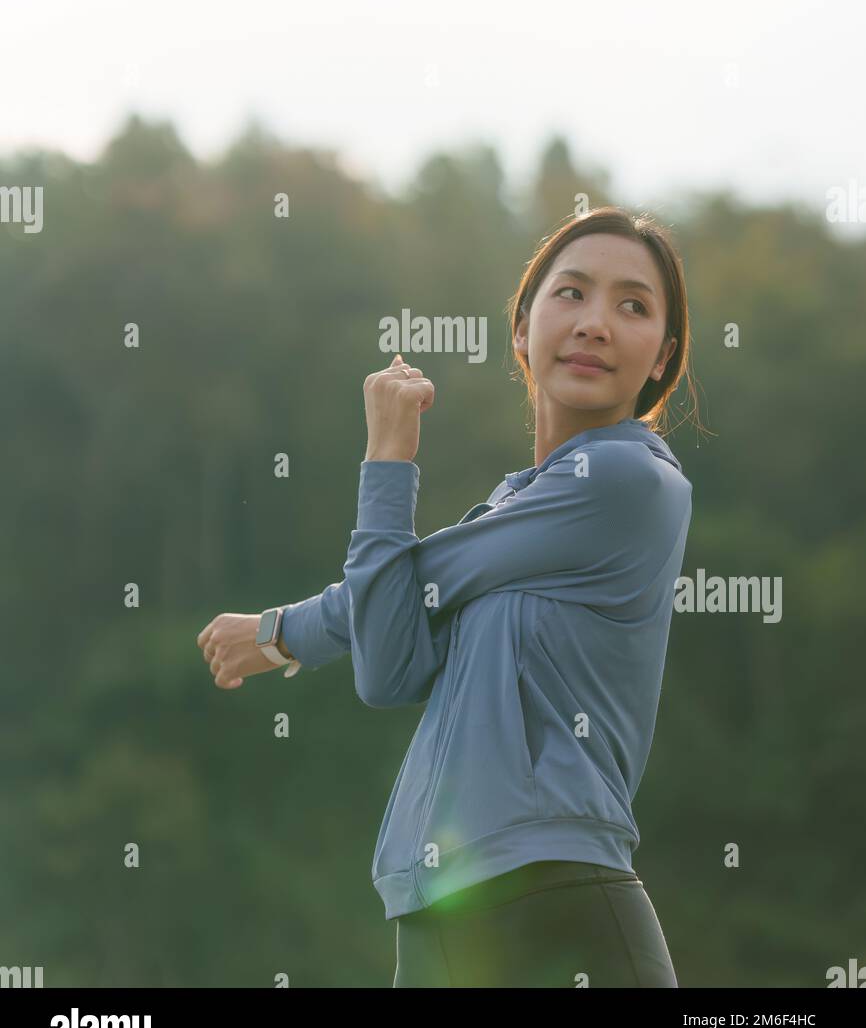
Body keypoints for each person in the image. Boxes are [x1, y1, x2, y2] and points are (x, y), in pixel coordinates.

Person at [197, 206, 700, 987]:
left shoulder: (629, 481)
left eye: (632, 306)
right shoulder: (514, 504)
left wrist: (388, 455)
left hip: (559, 901)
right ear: (522, 329)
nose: (597, 322)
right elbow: (389, 661)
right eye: (571, 293)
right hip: (432, 913)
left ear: (662, 357)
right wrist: (279, 633)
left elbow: (408, 582)